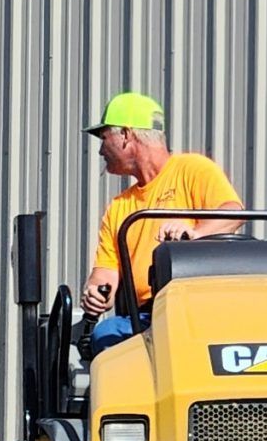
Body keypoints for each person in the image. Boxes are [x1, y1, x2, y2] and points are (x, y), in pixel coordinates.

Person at [80, 93, 243, 337]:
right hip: (145, 317)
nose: (101, 150)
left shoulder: (193, 169)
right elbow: (106, 271)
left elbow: (233, 213)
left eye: (104, 138)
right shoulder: (118, 207)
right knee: (105, 335)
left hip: (198, 309)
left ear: (126, 135)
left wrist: (194, 233)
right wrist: (95, 292)